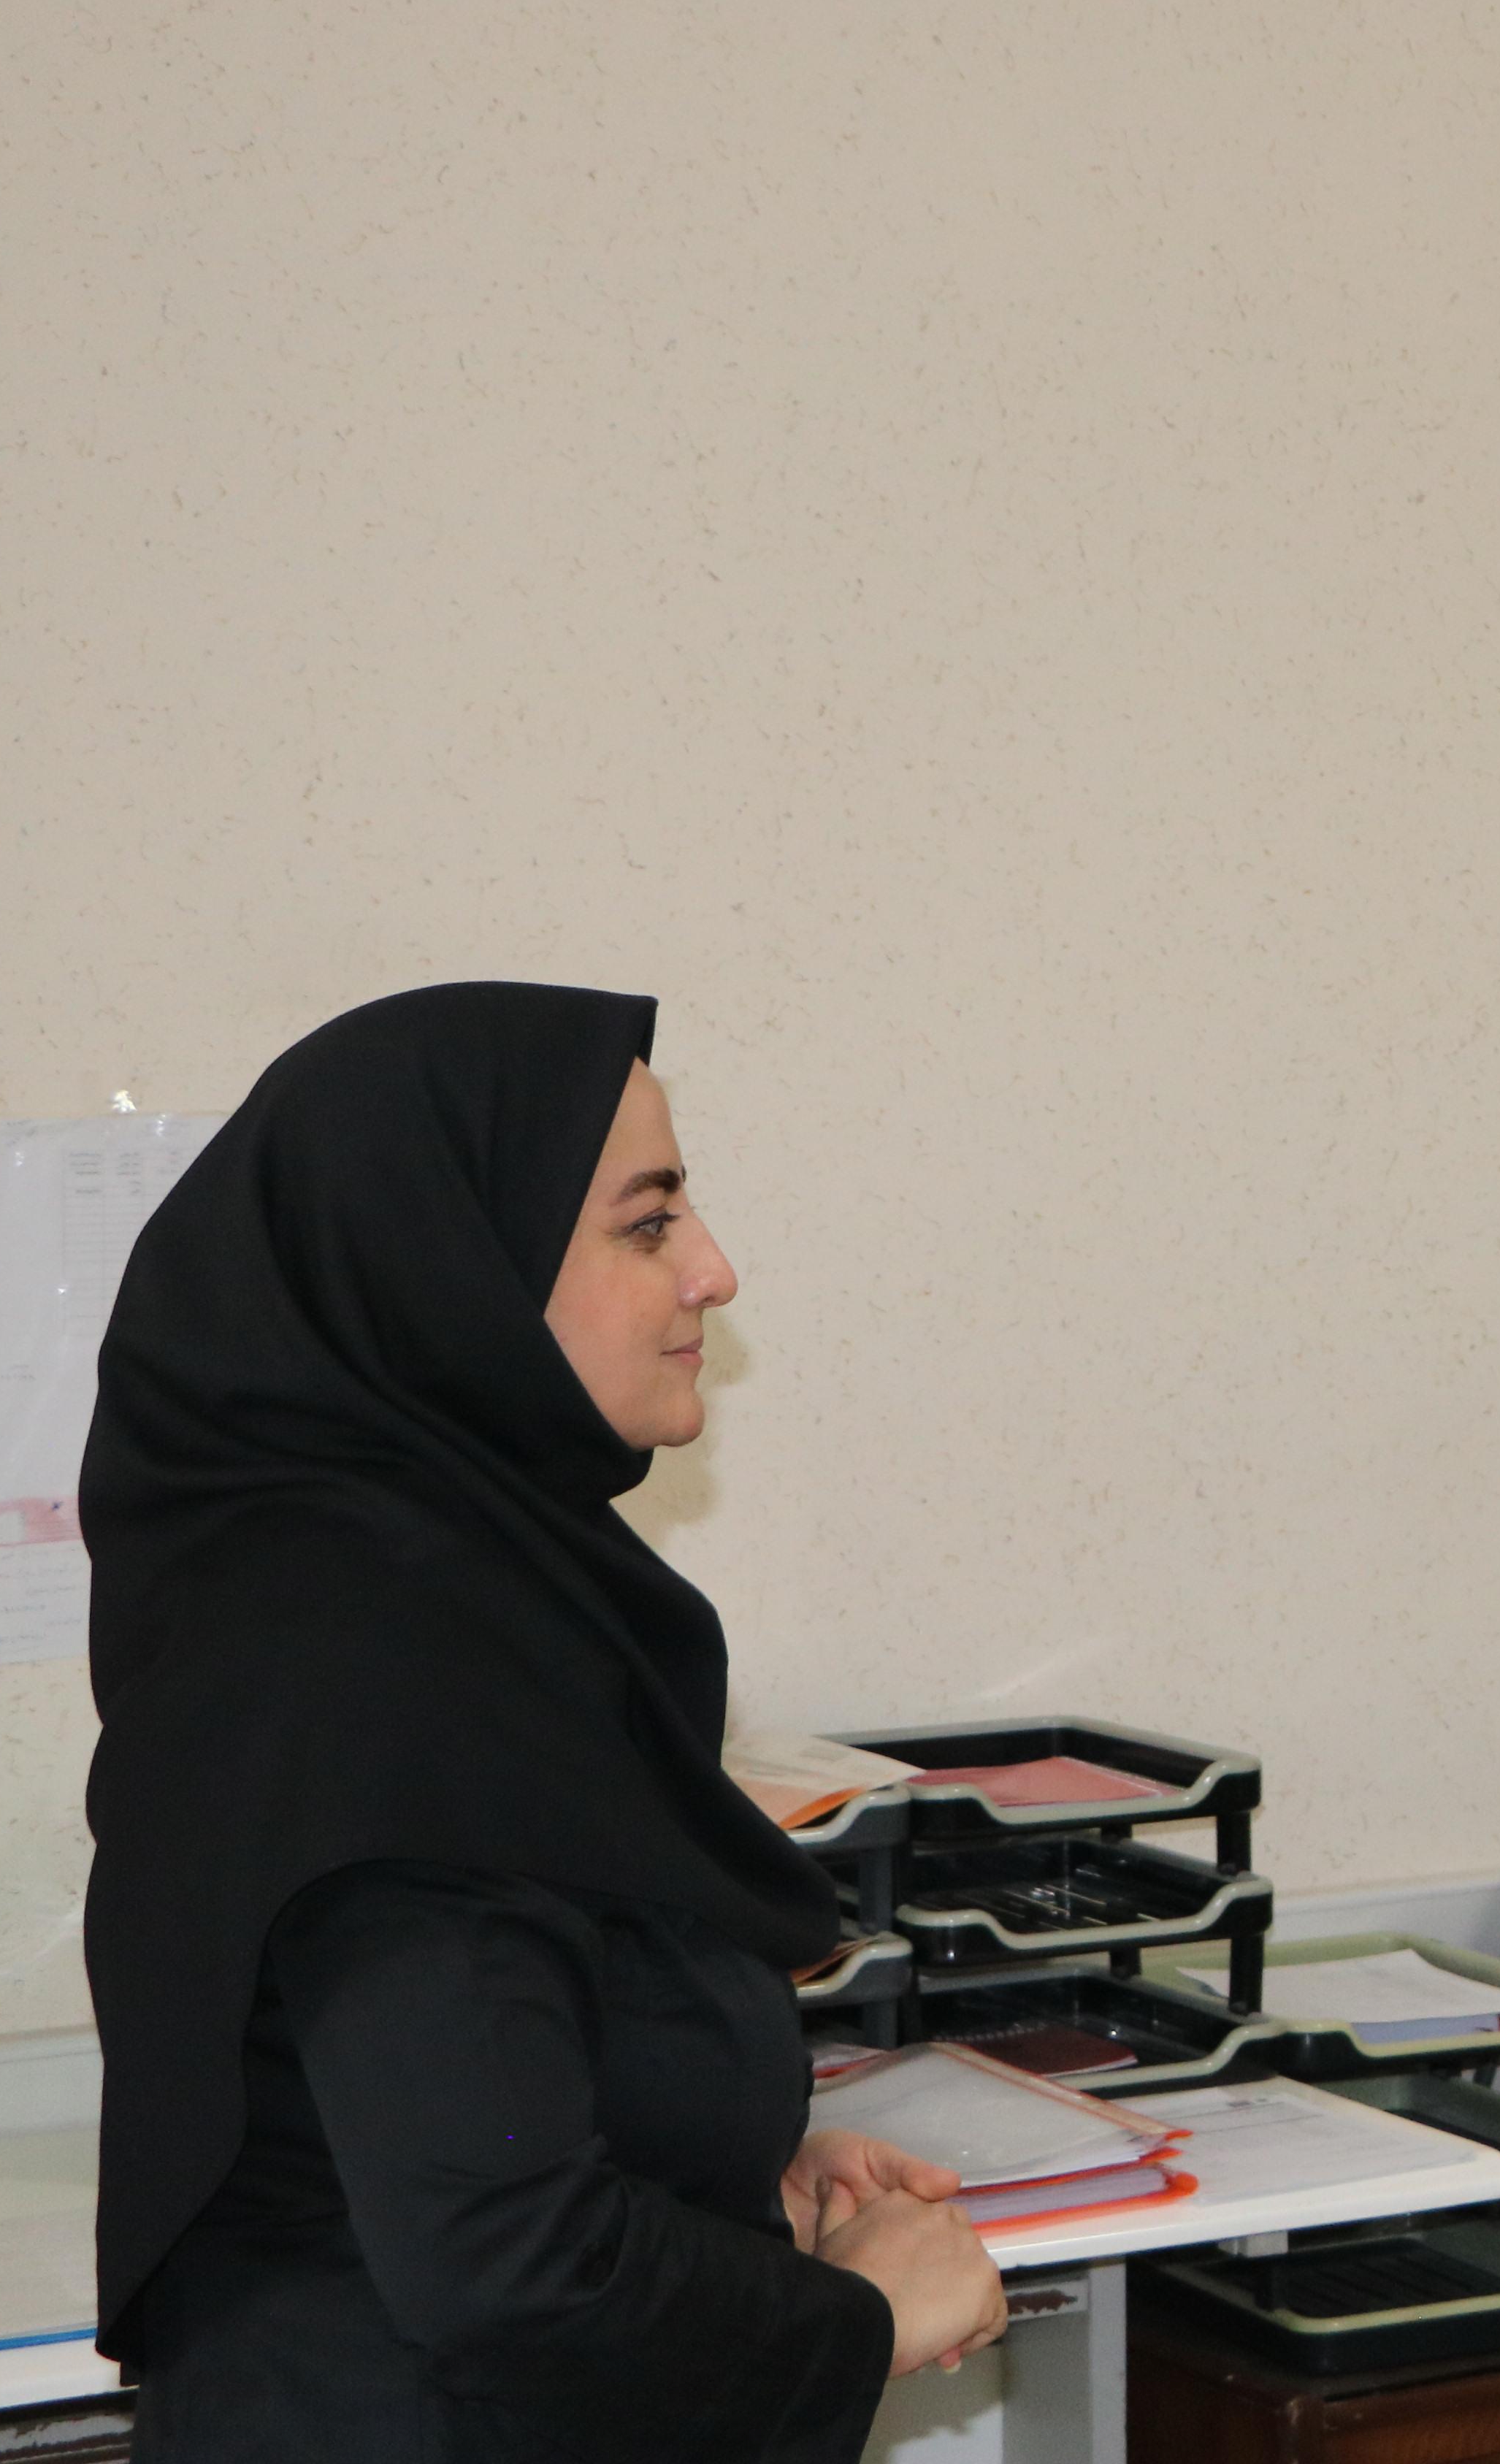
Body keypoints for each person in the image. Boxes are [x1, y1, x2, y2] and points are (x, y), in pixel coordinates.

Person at [81, 982, 1004, 2461]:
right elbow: (508, 2261)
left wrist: (721, 2185)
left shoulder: (451, 1603)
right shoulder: (376, 1671)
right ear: (452, 1269)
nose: (714, 1270)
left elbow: (474, 2095)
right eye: (648, 1223)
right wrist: (864, 2319)